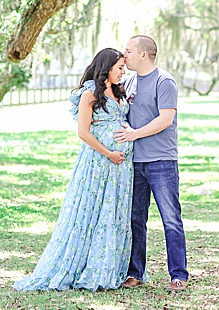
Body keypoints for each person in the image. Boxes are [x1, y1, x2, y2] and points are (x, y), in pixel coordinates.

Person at [13, 48, 134, 291]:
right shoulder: (89, 94)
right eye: (120, 67)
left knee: (113, 213)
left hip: (121, 168)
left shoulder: (120, 91)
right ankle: (83, 267)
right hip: (99, 163)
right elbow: (83, 132)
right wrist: (109, 153)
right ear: (107, 68)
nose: (123, 72)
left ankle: (108, 267)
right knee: (91, 212)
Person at [115, 35, 189, 291]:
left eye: (128, 51)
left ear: (143, 54)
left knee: (171, 219)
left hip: (161, 162)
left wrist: (134, 133)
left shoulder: (164, 81)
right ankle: (135, 273)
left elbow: (165, 119)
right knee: (136, 219)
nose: (124, 56)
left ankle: (178, 275)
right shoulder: (129, 81)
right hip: (135, 163)